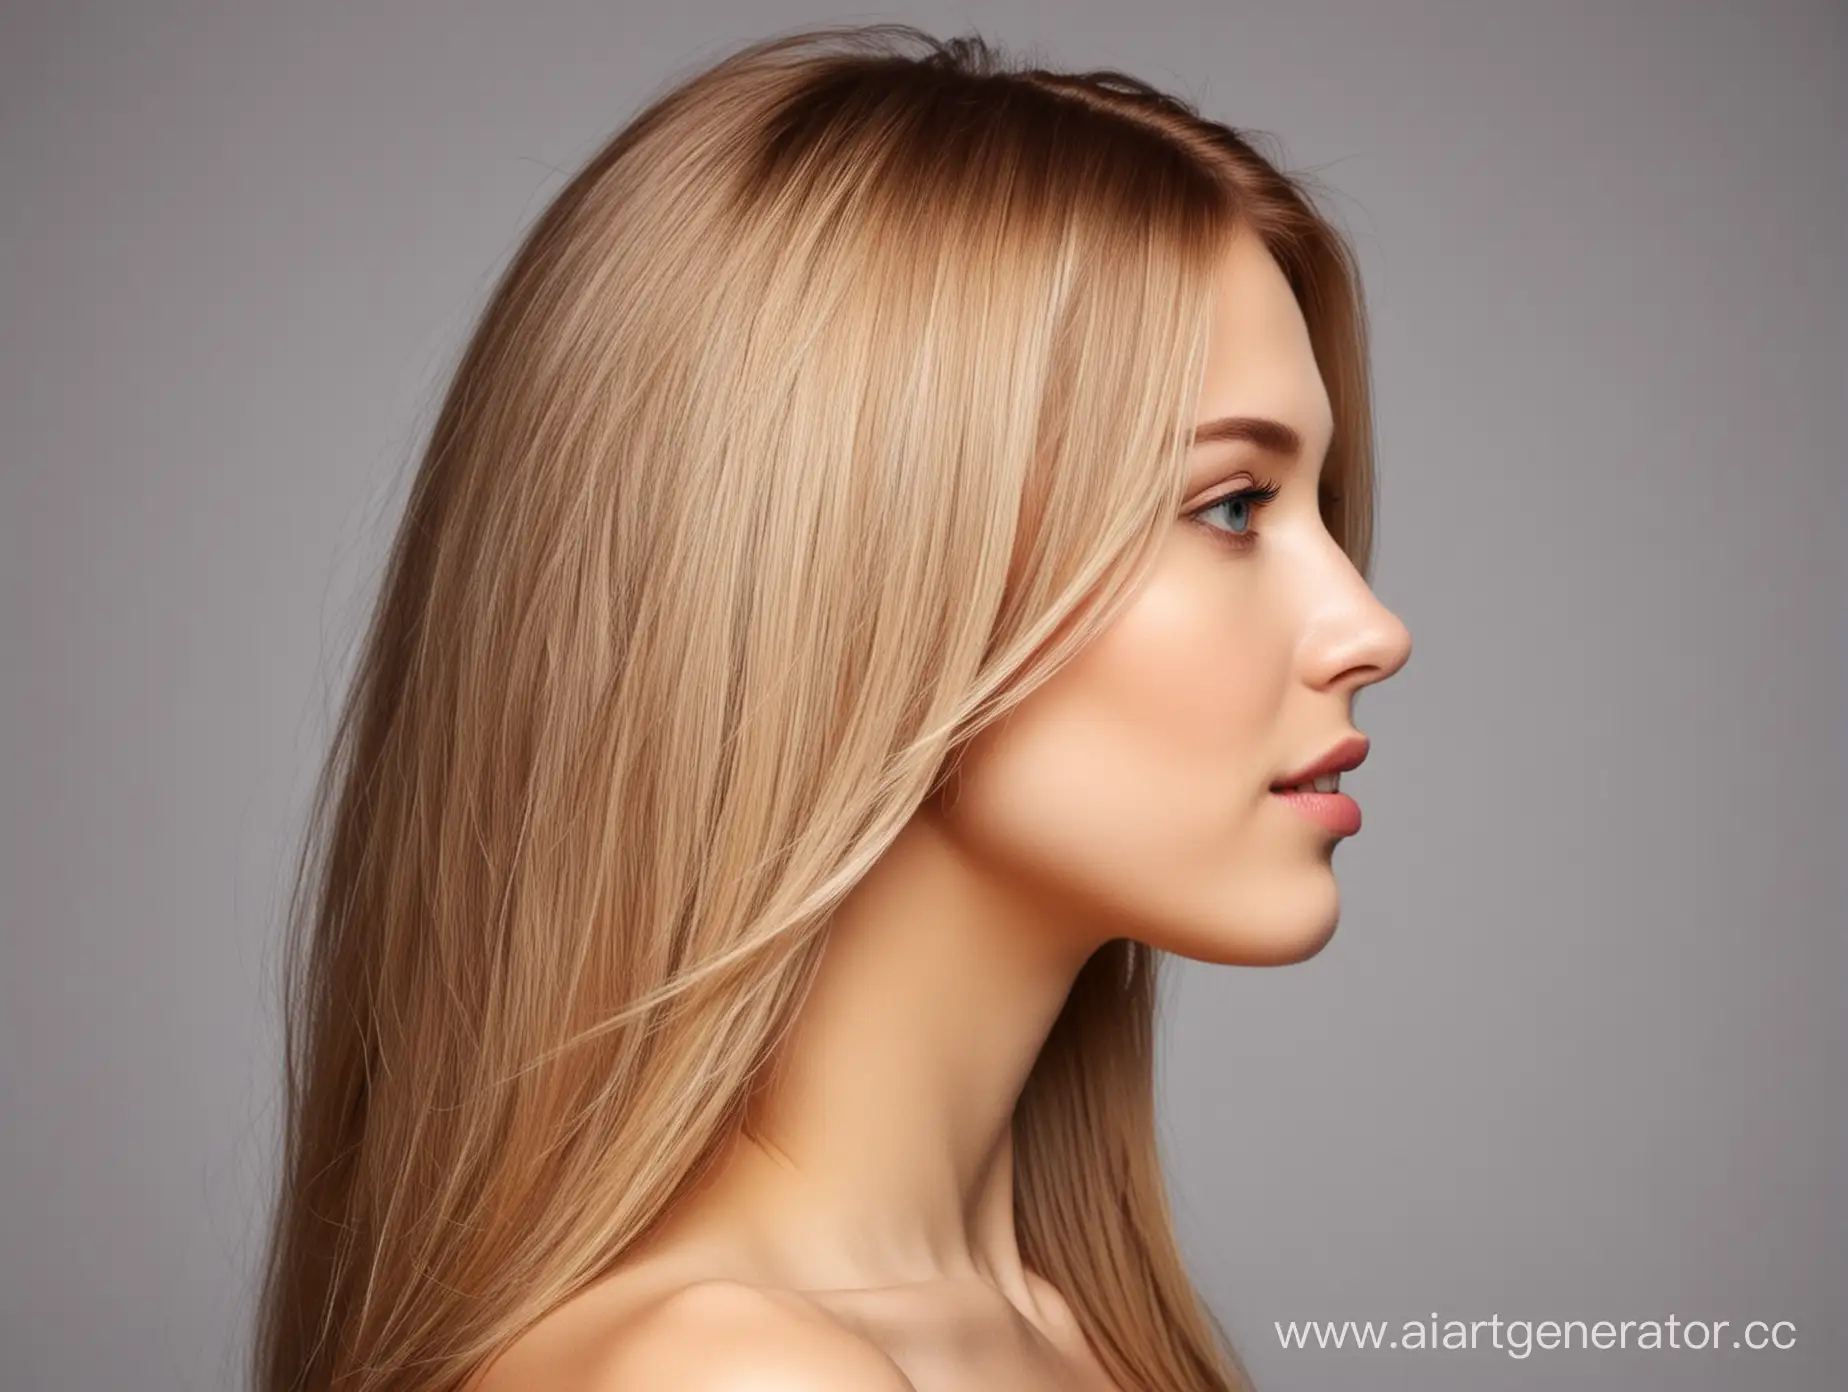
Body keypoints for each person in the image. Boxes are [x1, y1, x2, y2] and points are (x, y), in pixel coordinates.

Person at [250, 21, 1412, 1392]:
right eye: (1230, 505)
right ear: (863, 568)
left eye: (1317, 509)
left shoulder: (1073, 1337)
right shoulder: (724, 1376)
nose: (1370, 630)